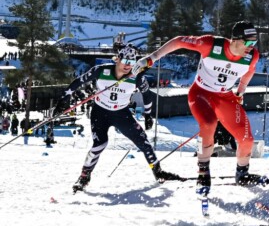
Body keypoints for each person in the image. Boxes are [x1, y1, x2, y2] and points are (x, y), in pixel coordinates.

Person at [132, 21, 262, 202]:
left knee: (247, 139)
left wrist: (240, 92)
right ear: (235, 40)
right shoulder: (211, 45)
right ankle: (203, 171)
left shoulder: (252, 56)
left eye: (254, 43)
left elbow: (249, 72)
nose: (251, 47)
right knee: (208, 124)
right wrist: (151, 58)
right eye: (248, 42)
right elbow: (179, 41)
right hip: (201, 93)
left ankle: (242, 174)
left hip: (225, 97)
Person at [53, 44, 181, 193]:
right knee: (100, 144)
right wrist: (64, 99)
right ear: (117, 59)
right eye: (125, 60)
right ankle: (84, 177)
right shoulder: (101, 71)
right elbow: (78, 82)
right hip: (100, 112)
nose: (128, 65)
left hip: (121, 114)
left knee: (143, 142)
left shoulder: (137, 77)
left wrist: (148, 115)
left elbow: (147, 96)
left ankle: (158, 172)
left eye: (132, 62)